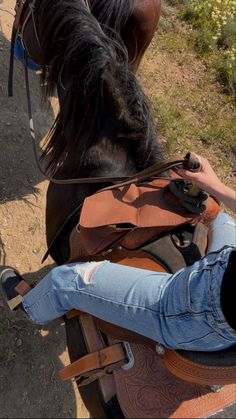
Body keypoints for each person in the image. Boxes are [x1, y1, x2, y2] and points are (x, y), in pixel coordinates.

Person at [1, 154, 235, 352]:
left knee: (66, 281)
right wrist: (217, 187)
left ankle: (31, 307)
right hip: (225, 262)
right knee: (220, 218)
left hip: (202, 309)